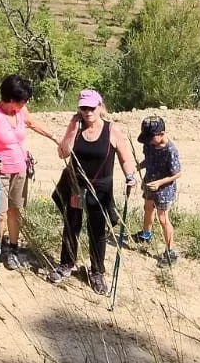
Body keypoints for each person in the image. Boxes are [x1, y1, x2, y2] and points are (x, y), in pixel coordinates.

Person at [47, 89, 137, 294]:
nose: (88, 112)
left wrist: (130, 176)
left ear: (100, 107)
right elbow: (63, 153)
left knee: (97, 229)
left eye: (91, 107)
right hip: (76, 185)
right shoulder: (76, 128)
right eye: (83, 108)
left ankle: (97, 272)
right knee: (72, 224)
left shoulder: (111, 130)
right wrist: (72, 129)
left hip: (100, 187)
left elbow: (125, 157)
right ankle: (66, 264)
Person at [0, 74, 62, 270]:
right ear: (11, 99)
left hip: (19, 170)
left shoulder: (21, 111)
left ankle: (12, 249)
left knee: (15, 210)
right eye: (22, 101)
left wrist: (55, 138)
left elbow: (33, 124)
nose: (24, 104)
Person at [135, 115, 182, 266]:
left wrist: (160, 183)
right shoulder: (149, 144)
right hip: (149, 183)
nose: (148, 141)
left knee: (163, 218)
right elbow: (148, 159)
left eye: (151, 138)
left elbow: (177, 174)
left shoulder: (170, 151)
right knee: (147, 208)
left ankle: (170, 252)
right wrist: (139, 166)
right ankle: (145, 235)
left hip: (164, 189)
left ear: (162, 134)